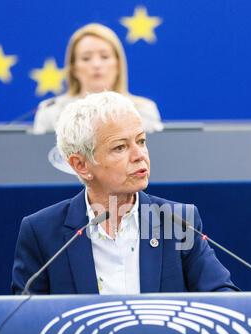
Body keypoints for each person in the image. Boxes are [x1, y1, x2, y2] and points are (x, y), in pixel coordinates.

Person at [12, 91, 238, 295]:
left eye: (141, 141)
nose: (139, 155)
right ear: (81, 165)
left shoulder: (177, 222)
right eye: (120, 147)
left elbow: (224, 297)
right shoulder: (42, 232)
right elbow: (22, 324)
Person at [33, 23, 162, 135]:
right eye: (86, 58)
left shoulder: (143, 110)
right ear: (73, 68)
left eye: (104, 56)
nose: (96, 65)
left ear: (118, 65)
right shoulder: (50, 111)